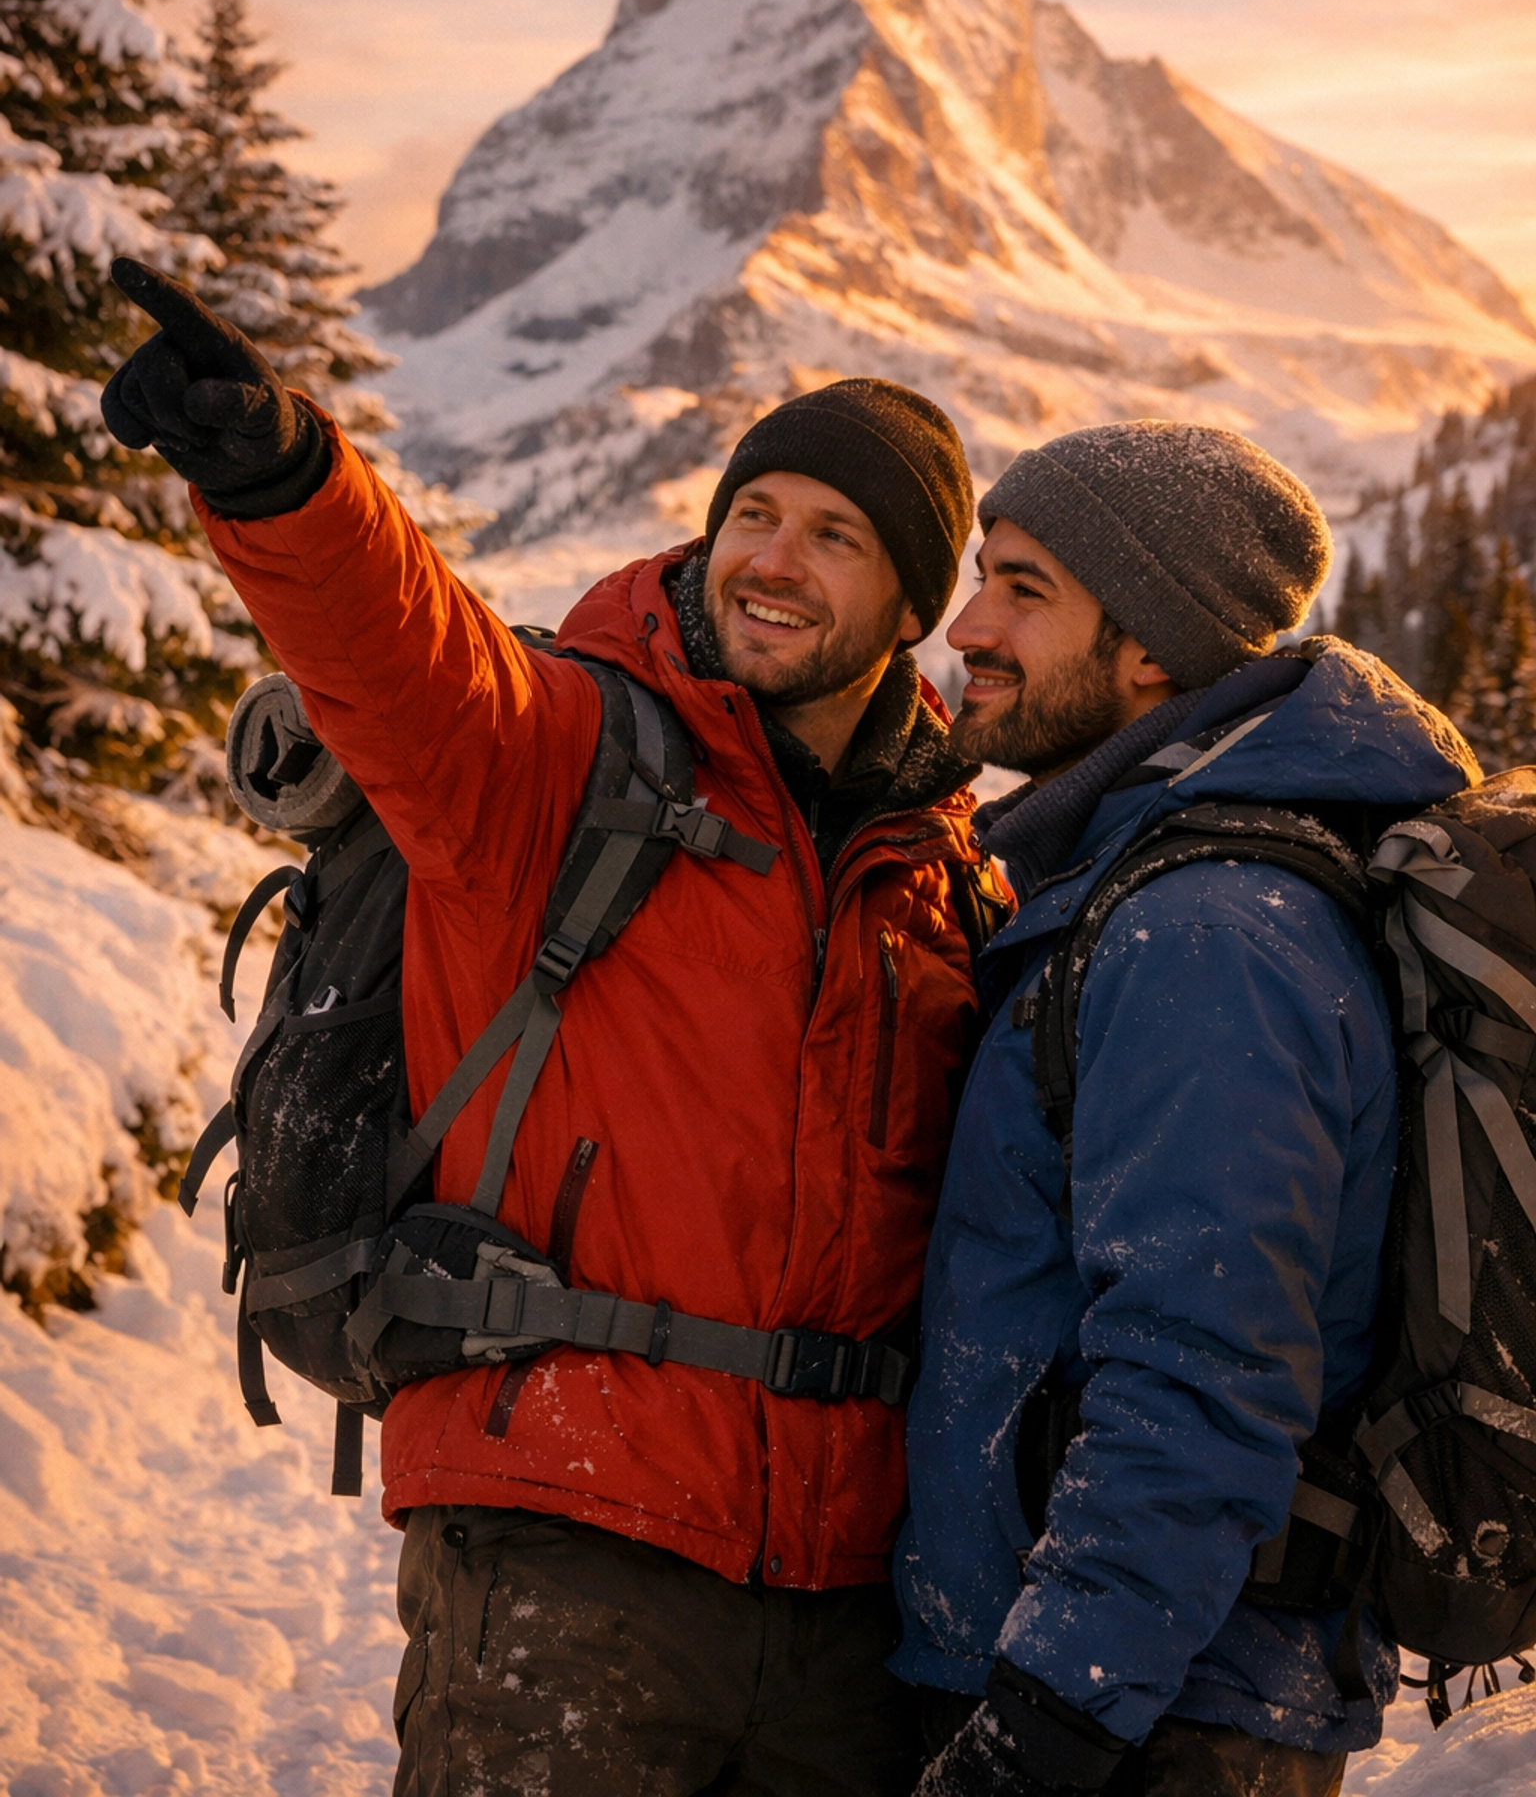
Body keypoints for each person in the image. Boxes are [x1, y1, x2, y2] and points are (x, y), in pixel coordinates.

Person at [102, 258, 993, 1797]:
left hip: (851, 1597)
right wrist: (284, 480)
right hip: (563, 1538)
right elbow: (404, 655)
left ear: (910, 608)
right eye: (755, 514)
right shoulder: (558, 757)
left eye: (834, 536)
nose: (772, 559)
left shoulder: (942, 877)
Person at [891, 422, 1478, 1797]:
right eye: (982, 576)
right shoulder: (1138, 888)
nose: (967, 625)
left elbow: (1204, 1370)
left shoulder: (1204, 931)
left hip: (1156, 1720)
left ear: (1151, 646)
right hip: (1132, 1687)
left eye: (1023, 589)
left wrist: (1046, 1722)